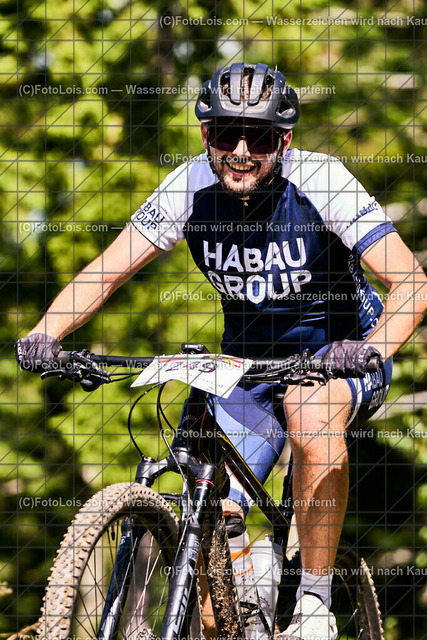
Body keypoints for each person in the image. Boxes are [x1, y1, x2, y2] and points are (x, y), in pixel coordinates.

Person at [15, 62, 427, 639]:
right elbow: (107, 270)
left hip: (340, 354)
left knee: (310, 411)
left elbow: (412, 284)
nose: (240, 151)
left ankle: (314, 603)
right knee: (209, 522)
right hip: (248, 366)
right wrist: (45, 334)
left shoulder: (323, 180)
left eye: (259, 138)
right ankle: (245, 595)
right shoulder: (188, 187)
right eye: (226, 134)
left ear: (284, 140)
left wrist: (371, 348)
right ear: (206, 134)